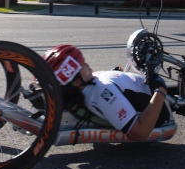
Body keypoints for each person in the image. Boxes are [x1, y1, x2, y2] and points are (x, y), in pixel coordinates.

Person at [42, 44, 170, 141]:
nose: (85, 63)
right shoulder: (102, 94)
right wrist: (160, 89)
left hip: (138, 89)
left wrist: (117, 73)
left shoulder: (90, 83)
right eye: (81, 65)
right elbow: (140, 132)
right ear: (76, 82)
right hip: (157, 106)